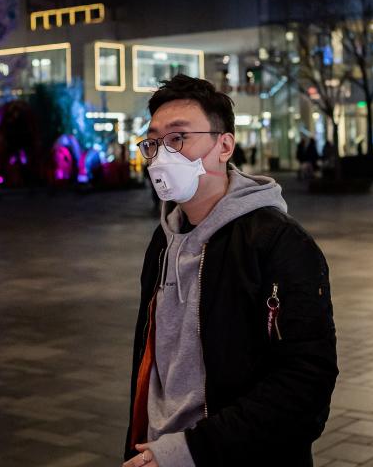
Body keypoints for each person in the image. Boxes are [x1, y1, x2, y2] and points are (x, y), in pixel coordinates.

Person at [124, 74, 337, 467]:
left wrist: (193, 450)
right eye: (153, 142)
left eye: (178, 138)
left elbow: (305, 385)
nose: (161, 154)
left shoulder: (278, 243)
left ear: (224, 146)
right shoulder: (163, 242)